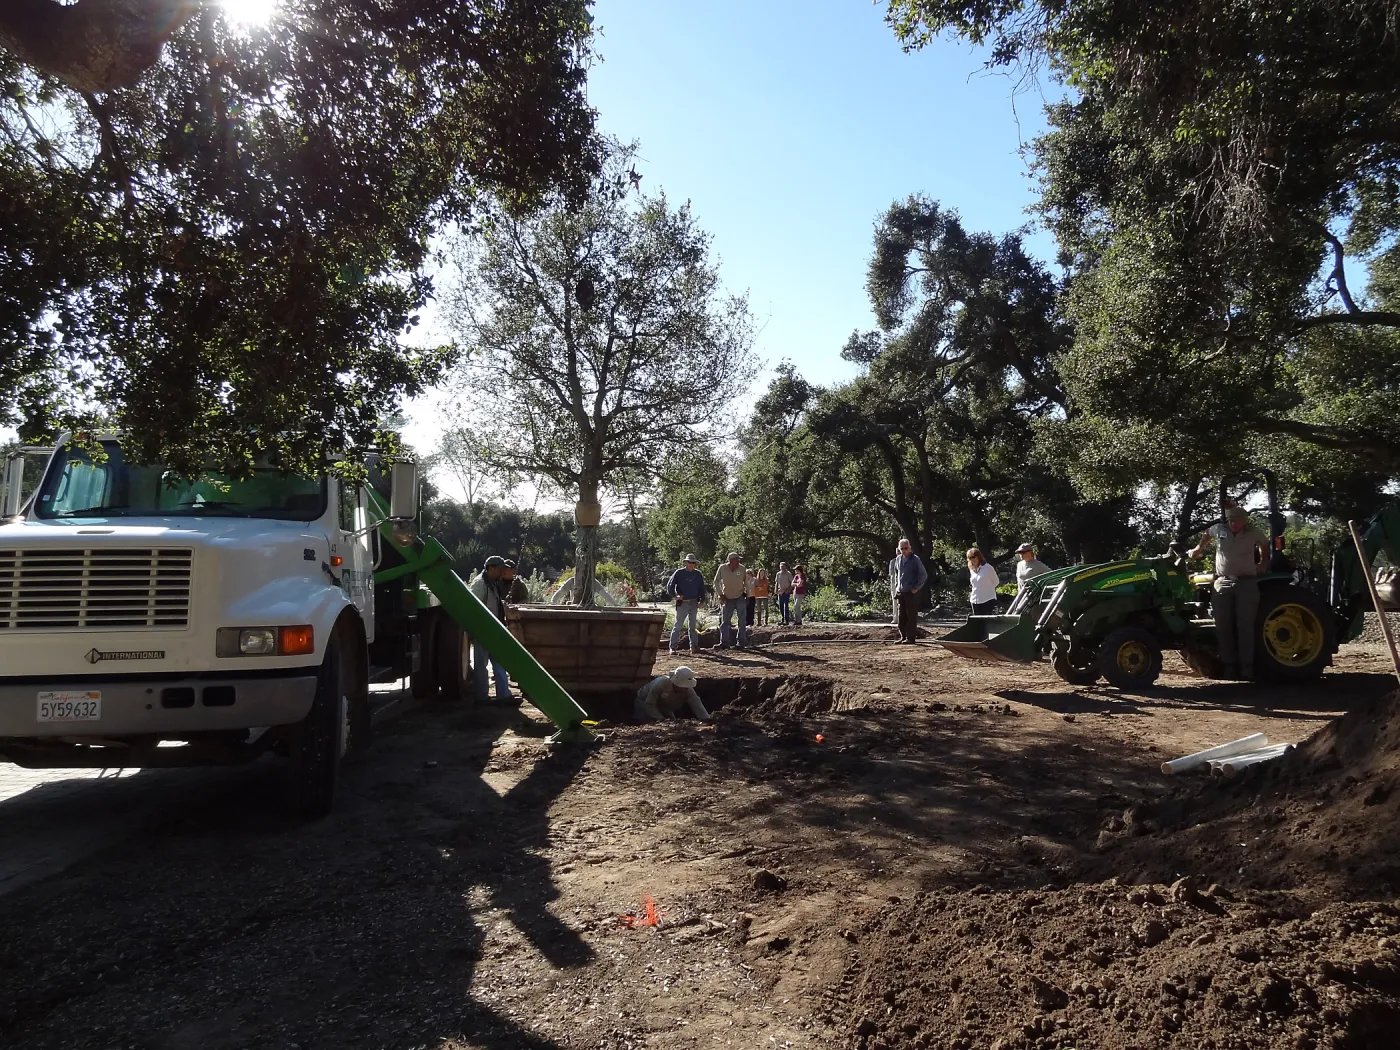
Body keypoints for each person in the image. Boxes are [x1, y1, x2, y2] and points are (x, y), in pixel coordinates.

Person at [1187, 506, 1269, 680]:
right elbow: (1207, 533)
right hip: (1223, 582)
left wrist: (1263, 563)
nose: (1233, 524)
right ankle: (1229, 665)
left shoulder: (1253, 532)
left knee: (1245, 626)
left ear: (1243, 521)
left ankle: (1247, 667)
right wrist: (1198, 549)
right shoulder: (1220, 529)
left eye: (1236, 521)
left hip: (1246, 583)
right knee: (1223, 626)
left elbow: (1265, 544)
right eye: (1230, 520)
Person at [468, 556, 512, 702]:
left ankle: (503, 695)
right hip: (483, 631)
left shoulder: (492, 583)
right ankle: (482, 696)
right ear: (491, 569)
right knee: (481, 665)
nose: (502, 572)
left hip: (494, 630)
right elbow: (472, 608)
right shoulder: (480, 584)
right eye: (500, 569)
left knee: (499, 662)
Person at [635, 666, 712, 722]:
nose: (686, 689)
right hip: (644, 703)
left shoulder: (688, 689)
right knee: (648, 724)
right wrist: (661, 719)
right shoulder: (661, 684)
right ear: (676, 684)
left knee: (672, 723)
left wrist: (706, 719)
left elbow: (696, 704)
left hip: (664, 706)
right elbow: (649, 704)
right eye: (684, 686)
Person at [889, 538, 929, 643]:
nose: (904, 550)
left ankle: (910, 638)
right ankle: (903, 636)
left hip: (911, 592)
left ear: (910, 547)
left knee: (911, 616)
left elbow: (923, 575)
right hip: (901, 592)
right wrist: (898, 588)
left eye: (906, 548)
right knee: (902, 616)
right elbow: (898, 575)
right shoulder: (898, 559)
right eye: (902, 548)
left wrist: (916, 588)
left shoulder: (915, 559)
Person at [666, 553, 706, 654]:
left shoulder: (698, 574)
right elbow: (670, 586)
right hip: (682, 603)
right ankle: (673, 647)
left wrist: (702, 601)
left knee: (692, 626)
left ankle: (694, 646)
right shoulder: (679, 573)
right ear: (686, 563)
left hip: (693, 602)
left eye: (693, 562)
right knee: (678, 625)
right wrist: (675, 596)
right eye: (690, 562)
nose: (691, 564)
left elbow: (702, 589)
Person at [712, 551, 749, 649]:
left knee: (742, 621)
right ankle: (724, 643)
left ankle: (741, 643)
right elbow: (716, 582)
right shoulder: (722, 568)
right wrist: (720, 594)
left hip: (740, 596)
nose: (738, 561)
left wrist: (748, 595)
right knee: (725, 622)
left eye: (739, 560)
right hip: (727, 598)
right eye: (737, 559)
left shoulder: (742, 568)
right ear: (731, 561)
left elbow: (746, 582)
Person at [966, 548, 1000, 615]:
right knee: (977, 624)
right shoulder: (971, 569)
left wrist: (986, 589)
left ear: (979, 556)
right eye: (970, 558)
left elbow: (996, 582)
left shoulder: (988, 568)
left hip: (987, 600)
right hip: (974, 600)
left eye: (973, 557)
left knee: (987, 623)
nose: (972, 559)